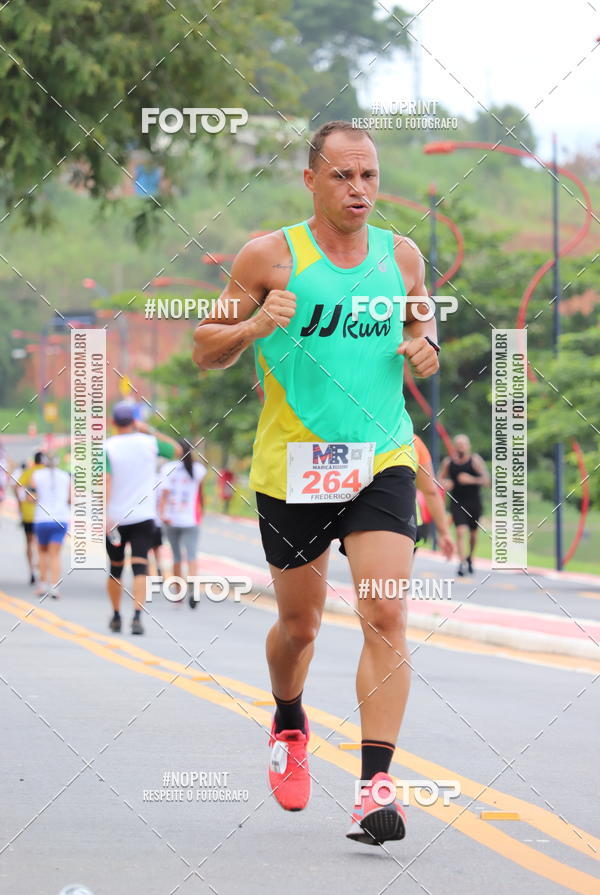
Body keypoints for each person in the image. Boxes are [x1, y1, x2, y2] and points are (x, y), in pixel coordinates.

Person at [193, 120, 440, 844]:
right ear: (311, 180)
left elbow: (419, 311)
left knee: (387, 614)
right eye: (342, 176)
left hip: (383, 457)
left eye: (368, 176)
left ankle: (374, 788)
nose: (358, 189)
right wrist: (253, 328)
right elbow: (207, 346)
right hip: (295, 465)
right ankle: (290, 718)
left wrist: (424, 342)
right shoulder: (270, 255)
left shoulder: (401, 254)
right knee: (299, 627)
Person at [104, 401, 182, 635]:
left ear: (113, 423)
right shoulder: (149, 443)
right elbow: (177, 450)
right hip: (143, 516)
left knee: (115, 569)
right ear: (134, 422)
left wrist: (104, 514)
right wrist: (149, 430)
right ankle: (137, 615)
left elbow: (105, 480)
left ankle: (117, 615)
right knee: (141, 567)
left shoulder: (106, 447)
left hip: (116, 517)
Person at [159, 438, 207, 608]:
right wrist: (202, 512)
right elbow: (200, 494)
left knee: (177, 556)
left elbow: (164, 495)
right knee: (192, 555)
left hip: (171, 519)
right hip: (191, 519)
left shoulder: (167, 468)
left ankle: (179, 594)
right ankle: (193, 590)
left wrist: (162, 514)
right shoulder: (198, 469)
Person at [439, 434, 489, 576]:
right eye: (458, 444)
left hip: (474, 502)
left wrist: (471, 479)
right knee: (461, 532)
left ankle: (470, 558)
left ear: (468, 446)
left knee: (473, 534)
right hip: (457, 503)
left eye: (463, 444)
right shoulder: (448, 463)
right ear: (454, 446)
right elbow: (439, 478)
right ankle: (461, 563)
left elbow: (486, 480)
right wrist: (445, 483)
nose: (460, 446)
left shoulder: (475, 461)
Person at [30, 455, 71, 599]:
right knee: (55, 555)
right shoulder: (65, 476)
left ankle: (42, 585)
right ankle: (54, 587)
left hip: (42, 518)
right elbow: (71, 498)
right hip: (60, 518)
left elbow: (31, 497)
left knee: (42, 553)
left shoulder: (36, 475)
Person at [413, 435, 454, 559]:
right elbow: (430, 491)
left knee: (367, 576)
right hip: (407, 520)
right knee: (396, 576)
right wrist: (444, 533)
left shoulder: (357, 433)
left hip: (364, 518)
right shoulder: (412, 441)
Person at [14, 452, 46, 583]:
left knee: (29, 542)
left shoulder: (29, 472)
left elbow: (16, 486)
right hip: (44, 514)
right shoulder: (48, 472)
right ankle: (40, 570)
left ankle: (32, 570)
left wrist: (20, 502)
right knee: (42, 544)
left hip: (28, 512)